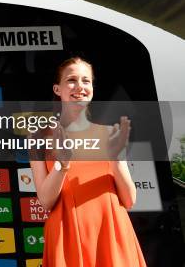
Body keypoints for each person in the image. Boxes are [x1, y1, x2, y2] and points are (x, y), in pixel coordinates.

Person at [30, 56, 146, 267]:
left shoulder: (111, 133)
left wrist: (115, 161)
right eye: (71, 80)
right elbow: (45, 201)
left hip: (112, 232)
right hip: (67, 234)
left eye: (86, 80)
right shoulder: (39, 137)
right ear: (57, 89)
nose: (80, 86)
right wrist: (62, 165)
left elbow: (129, 200)